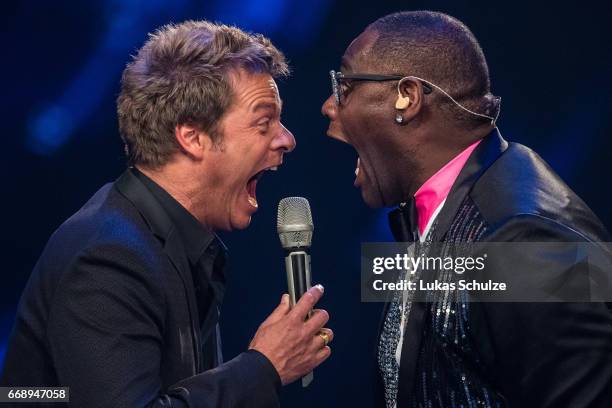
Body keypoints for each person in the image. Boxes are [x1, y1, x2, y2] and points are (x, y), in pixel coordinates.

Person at [1, 20, 333, 407]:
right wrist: (263, 367)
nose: (287, 139)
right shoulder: (108, 256)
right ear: (192, 136)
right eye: (264, 122)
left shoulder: (166, 241)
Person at [322, 10, 612, 408]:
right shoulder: (442, 210)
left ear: (406, 97)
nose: (328, 106)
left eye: (345, 86)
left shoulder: (526, 237)